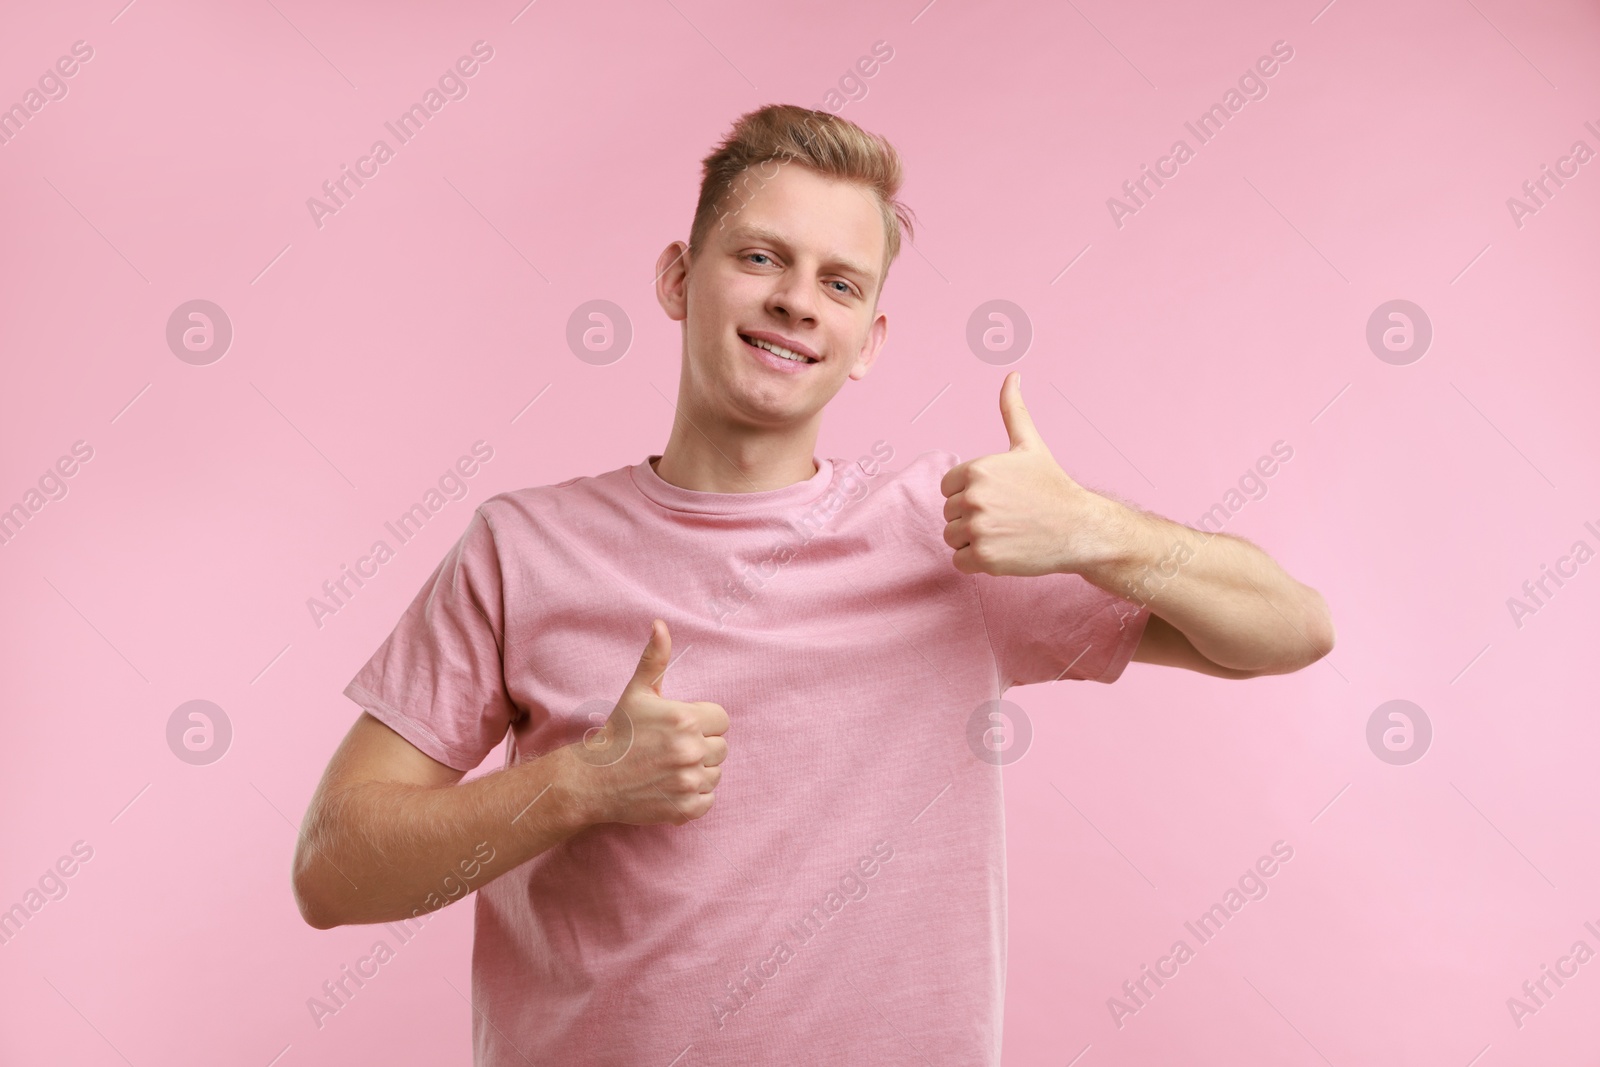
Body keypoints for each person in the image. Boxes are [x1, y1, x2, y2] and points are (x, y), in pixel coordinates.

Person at [290, 103, 1334, 1065]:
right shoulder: (521, 546)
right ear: (675, 277)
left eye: (840, 281)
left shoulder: (950, 532)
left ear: (868, 341)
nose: (795, 299)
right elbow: (332, 871)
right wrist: (579, 784)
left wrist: (1095, 532)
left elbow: (1290, 628)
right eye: (759, 257)